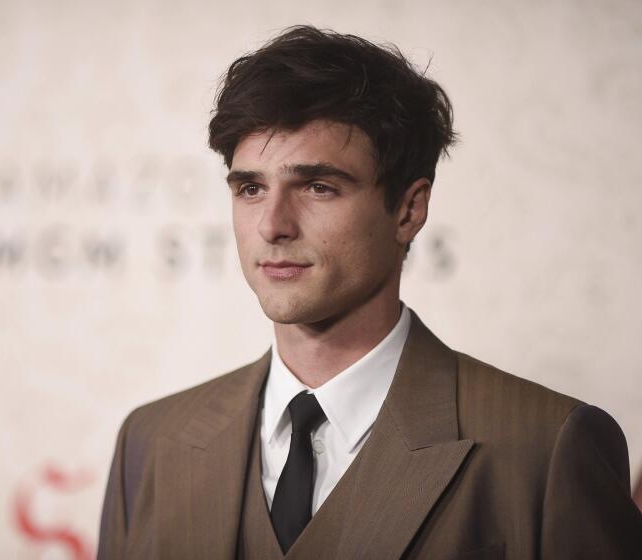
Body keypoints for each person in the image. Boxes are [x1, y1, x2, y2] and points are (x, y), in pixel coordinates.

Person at [97, 26, 642, 559]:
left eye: (318, 187)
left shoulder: (546, 447)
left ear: (409, 209)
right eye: (251, 188)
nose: (272, 225)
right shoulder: (151, 442)